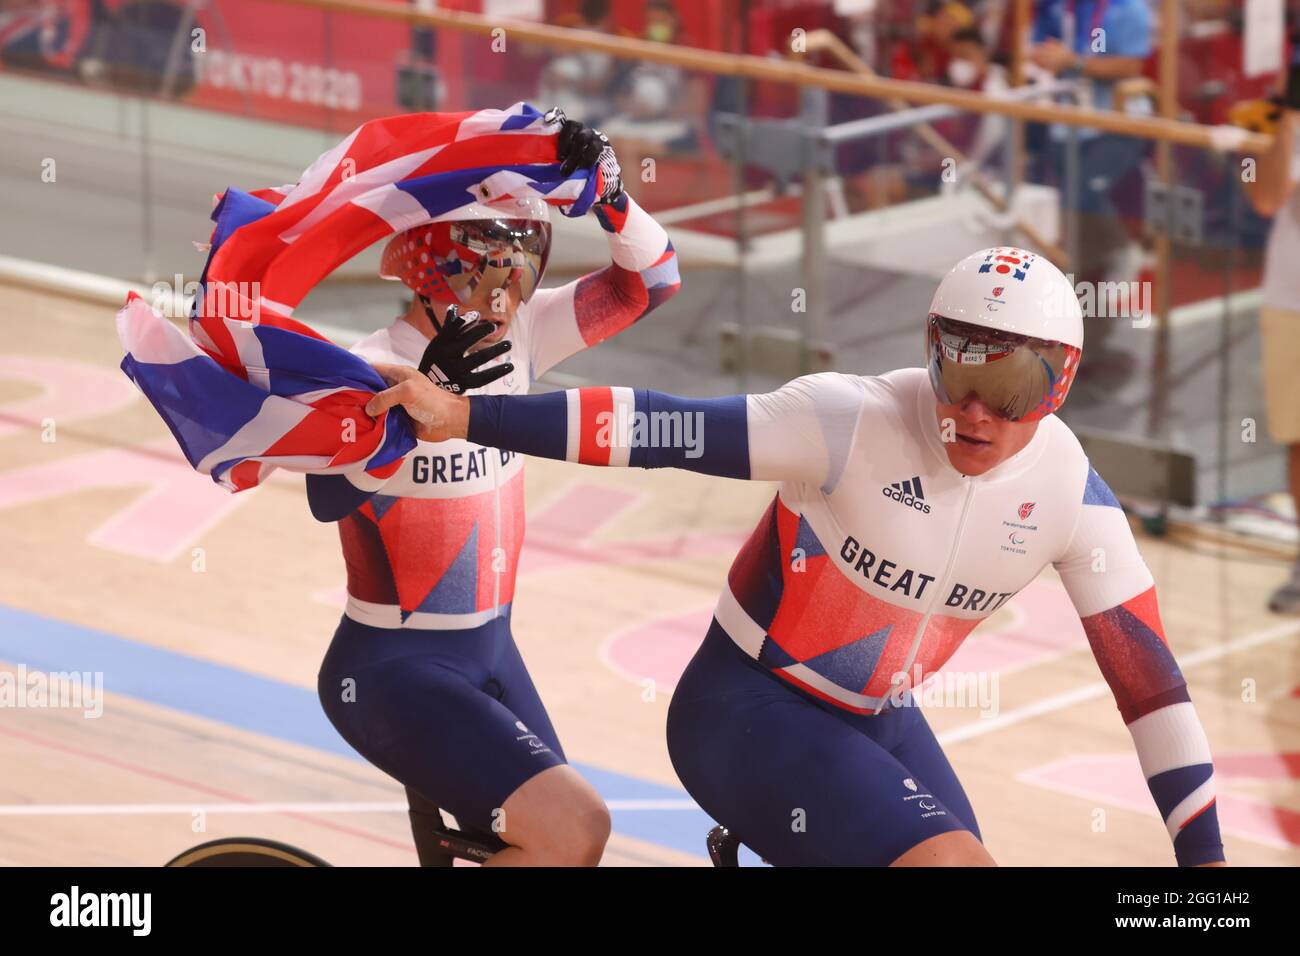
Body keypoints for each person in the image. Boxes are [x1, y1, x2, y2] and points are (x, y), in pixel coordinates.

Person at [366, 247, 1226, 867]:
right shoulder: (846, 420)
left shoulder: (1074, 500)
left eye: (1011, 391)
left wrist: (1208, 873)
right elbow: (659, 429)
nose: (974, 410)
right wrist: (467, 416)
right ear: (928, 349)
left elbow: (1149, 691)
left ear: (1062, 385)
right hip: (747, 708)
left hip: (878, 723)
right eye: (957, 370)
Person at [309, 114, 681, 866]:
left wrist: (609, 194)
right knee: (576, 828)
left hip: (489, 652)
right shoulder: (368, 365)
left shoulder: (522, 340)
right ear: (431, 259)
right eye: (489, 253)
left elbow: (653, 282)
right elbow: (327, 501)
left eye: (522, 252)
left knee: (569, 846)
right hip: (390, 671)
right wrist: (424, 404)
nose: (509, 274)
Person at [1243, 35, 1300, 615]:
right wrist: (1289, 115)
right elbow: (1267, 196)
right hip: (1291, 297)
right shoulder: (1285, 122)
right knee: (1297, 437)